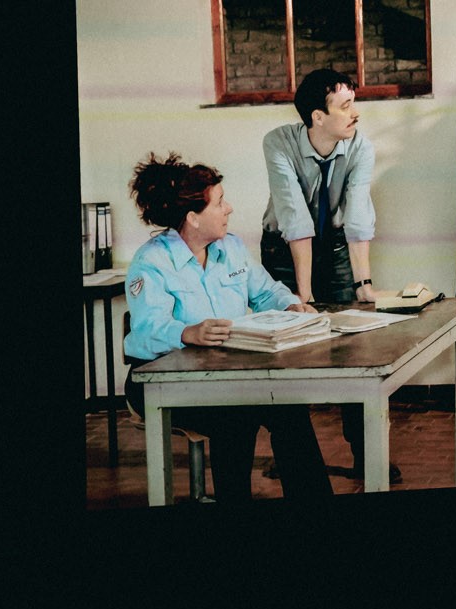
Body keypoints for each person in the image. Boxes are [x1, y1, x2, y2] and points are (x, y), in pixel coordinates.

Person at [123, 152, 333, 502]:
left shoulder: (231, 247)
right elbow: (145, 331)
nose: (229, 208)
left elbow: (265, 292)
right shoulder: (152, 261)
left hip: (225, 375)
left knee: (289, 406)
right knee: (236, 415)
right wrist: (186, 333)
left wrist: (290, 304)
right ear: (193, 218)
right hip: (159, 380)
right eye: (220, 202)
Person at [261, 69, 390, 481]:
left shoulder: (359, 146)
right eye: (346, 106)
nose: (356, 113)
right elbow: (294, 217)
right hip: (283, 249)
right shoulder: (278, 142)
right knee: (285, 352)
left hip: (334, 247)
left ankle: (367, 453)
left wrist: (363, 285)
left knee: (355, 348)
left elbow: (358, 215)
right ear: (318, 116)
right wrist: (303, 296)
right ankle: (292, 455)